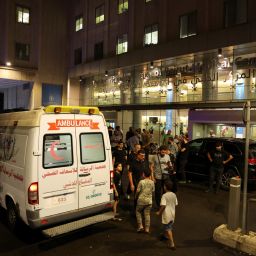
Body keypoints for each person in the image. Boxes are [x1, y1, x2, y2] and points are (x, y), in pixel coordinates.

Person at [156, 180, 178, 250]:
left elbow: (163, 205)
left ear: (165, 187)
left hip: (167, 214)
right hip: (172, 213)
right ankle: (164, 236)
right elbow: (176, 204)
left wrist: (159, 212)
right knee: (168, 225)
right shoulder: (174, 194)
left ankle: (172, 244)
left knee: (168, 228)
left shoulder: (164, 196)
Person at [135, 168, 155, 233]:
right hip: (149, 201)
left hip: (141, 200)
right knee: (147, 214)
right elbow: (153, 191)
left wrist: (136, 197)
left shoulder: (141, 182)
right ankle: (147, 229)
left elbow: (137, 191)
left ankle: (140, 226)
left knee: (138, 212)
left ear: (143, 174)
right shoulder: (152, 182)